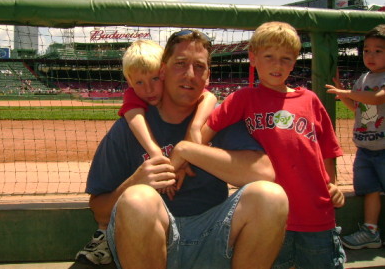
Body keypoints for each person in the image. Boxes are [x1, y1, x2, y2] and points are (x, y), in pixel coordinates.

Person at [83, 29, 288, 269]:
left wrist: (188, 150)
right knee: (138, 199)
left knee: (270, 197)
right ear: (163, 70)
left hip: (214, 236)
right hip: (149, 242)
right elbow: (100, 211)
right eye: (180, 64)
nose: (190, 75)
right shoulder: (129, 127)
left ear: (208, 76)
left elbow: (264, 173)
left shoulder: (218, 118)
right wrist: (135, 182)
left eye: (199, 67)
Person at [197, 22, 346, 269]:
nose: (277, 65)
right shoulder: (244, 98)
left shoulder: (309, 99)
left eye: (286, 59)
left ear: (294, 61)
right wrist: (184, 159)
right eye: (269, 57)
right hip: (270, 219)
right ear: (253, 58)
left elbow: (328, 150)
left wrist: (334, 184)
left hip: (316, 214)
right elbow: (206, 131)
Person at [77, 38, 217, 265]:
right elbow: (98, 208)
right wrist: (141, 176)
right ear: (130, 82)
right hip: (143, 227)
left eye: (154, 79)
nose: (149, 89)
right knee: (137, 199)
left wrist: (192, 131)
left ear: (163, 73)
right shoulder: (129, 117)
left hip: (208, 232)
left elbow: (209, 96)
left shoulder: (206, 108)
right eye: (139, 82)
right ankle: (104, 234)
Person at [326, 24, 385, 250]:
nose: (370, 55)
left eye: (378, 50)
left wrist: (347, 92)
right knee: (369, 190)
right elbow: (358, 108)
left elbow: (378, 99)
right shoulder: (363, 78)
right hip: (365, 149)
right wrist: (343, 92)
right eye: (367, 50)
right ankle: (371, 231)